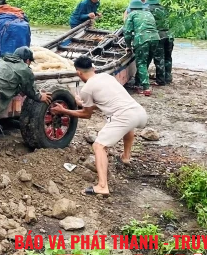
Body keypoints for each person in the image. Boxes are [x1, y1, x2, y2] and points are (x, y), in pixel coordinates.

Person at [50, 56, 147, 197]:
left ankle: (102, 186)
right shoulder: (107, 77)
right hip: (139, 112)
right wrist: (83, 103)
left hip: (125, 116)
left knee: (99, 146)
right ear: (93, 69)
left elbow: (86, 114)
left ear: (79, 73)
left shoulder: (87, 89)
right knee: (127, 126)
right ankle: (126, 157)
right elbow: (102, 102)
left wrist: (64, 111)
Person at [123, 0, 161, 96]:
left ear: (132, 8)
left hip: (142, 40)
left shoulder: (132, 15)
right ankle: (137, 82)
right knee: (147, 61)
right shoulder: (149, 13)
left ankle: (146, 87)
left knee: (141, 63)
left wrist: (128, 46)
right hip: (155, 38)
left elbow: (127, 32)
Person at [145, 0, 173, 85]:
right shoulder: (166, 9)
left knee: (159, 58)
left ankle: (161, 80)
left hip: (158, 36)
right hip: (169, 35)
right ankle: (168, 78)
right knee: (168, 57)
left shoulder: (148, 10)